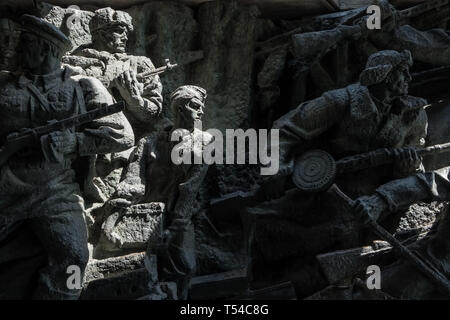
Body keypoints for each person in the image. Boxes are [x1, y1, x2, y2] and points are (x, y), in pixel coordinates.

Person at [0, 14, 134, 299]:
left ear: (46, 49)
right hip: (5, 185)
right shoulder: (4, 85)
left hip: (56, 190)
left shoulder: (81, 85)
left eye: (25, 43)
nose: (17, 49)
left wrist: (74, 142)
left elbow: (123, 135)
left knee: (74, 257)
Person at [108, 85, 213, 299]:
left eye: (202, 107)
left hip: (178, 216)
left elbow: (191, 187)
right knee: (134, 270)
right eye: (195, 106)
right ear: (179, 109)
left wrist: (177, 224)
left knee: (184, 265)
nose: (201, 112)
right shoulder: (149, 142)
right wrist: (116, 215)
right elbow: (134, 180)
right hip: (144, 215)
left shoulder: (206, 142)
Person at [63, 7, 164, 209]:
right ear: (100, 33)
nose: (125, 35)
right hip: (75, 143)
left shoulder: (140, 64)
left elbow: (154, 112)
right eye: (119, 29)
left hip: (120, 149)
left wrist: (133, 98)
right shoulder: (73, 61)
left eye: (127, 30)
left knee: (107, 202)